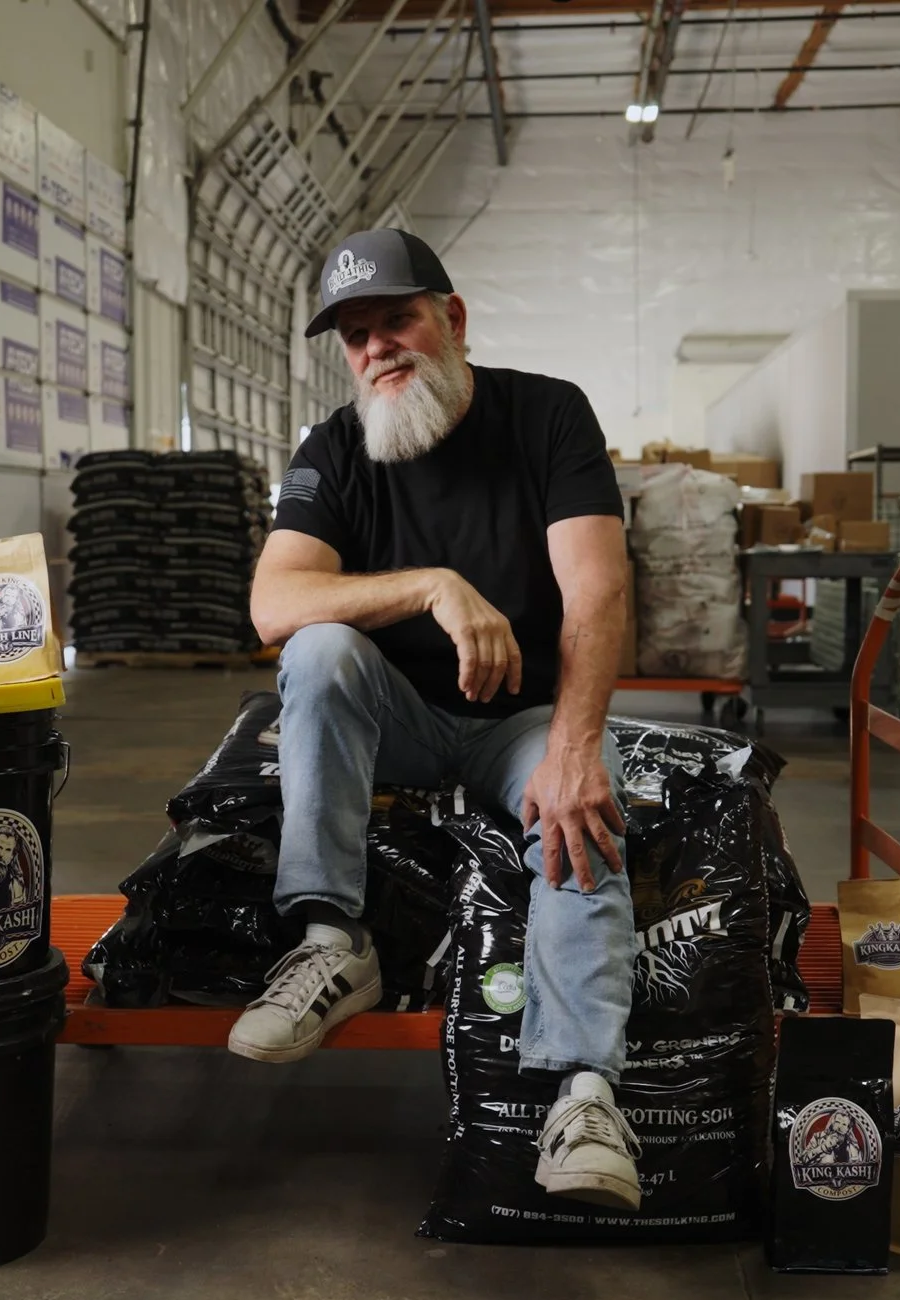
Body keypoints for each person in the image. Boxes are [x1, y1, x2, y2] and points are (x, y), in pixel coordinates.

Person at [228, 228, 642, 1210]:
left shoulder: (545, 417)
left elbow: (597, 591)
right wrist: (431, 588)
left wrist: (577, 746)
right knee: (319, 651)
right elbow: (272, 607)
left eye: (398, 320)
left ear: (451, 319)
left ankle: (583, 1094)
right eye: (356, 335)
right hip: (401, 715)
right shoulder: (333, 448)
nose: (379, 348)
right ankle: (334, 942)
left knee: (583, 803)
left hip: (522, 719)